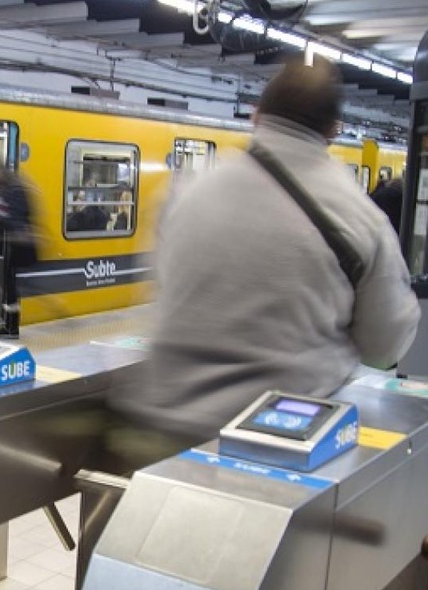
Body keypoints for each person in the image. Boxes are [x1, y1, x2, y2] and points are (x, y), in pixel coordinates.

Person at [111, 56, 420, 447]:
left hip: (162, 427)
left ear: (257, 115)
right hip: (278, 444)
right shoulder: (361, 217)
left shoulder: (186, 190)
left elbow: (161, 293)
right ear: (332, 130)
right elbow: (384, 346)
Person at [0, 166, 38, 338]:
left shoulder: (13, 193)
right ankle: (10, 325)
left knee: (12, 290)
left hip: (17, 248)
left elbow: (12, 220)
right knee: (13, 289)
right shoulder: (20, 189)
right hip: (19, 247)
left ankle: (11, 327)